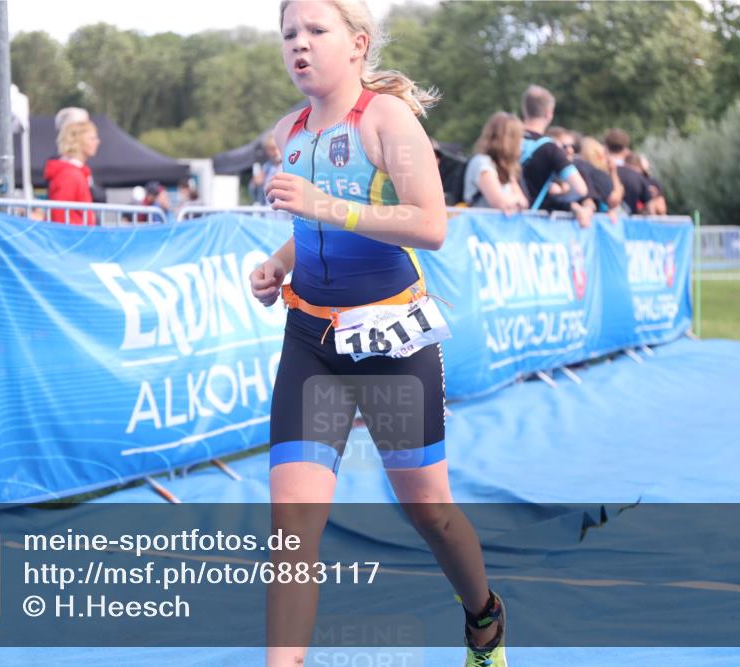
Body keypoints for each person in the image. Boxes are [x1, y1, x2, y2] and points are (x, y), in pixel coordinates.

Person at [251, 2, 508, 666]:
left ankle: (483, 618)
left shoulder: (386, 120)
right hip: (312, 341)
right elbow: (310, 227)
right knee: (293, 527)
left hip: (392, 340)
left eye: (315, 32)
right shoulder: (291, 130)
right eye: (288, 35)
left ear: (357, 44)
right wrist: (277, 265)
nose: (298, 46)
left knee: (431, 512)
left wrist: (324, 205)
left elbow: (431, 225)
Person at [519, 85, 593, 227]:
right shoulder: (550, 148)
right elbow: (581, 189)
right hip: (533, 223)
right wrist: (560, 194)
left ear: (525, 110)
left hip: (499, 219)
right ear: (549, 113)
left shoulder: (506, 140)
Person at [464, 111, 529, 213]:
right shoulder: (482, 163)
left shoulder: (505, 168)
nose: (522, 141)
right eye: (519, 136)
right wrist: (515, 200)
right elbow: (500, 203)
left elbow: (524, 203)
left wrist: (513, 201)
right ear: (509, 139)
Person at [43, 120, 100, 225]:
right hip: (74, 237)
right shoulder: (70, 175)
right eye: (92, 138)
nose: (97, 142)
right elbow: (59, 216)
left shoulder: (75, 173)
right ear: (78, 142)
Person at [603, 128, 653, 215]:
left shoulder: (599, 171)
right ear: (626, 149)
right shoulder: (637, 176)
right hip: (628, 226)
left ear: (606, 147)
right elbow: (650, 208)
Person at [251, 133, 283, 205]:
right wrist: (255, 184)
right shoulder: (265, 167)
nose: (276, 151)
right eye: (271, 149)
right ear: (267, 150)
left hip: (285, 212)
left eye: (278, 147)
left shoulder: (291, 166)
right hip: (268, 211)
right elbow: (254, 192)